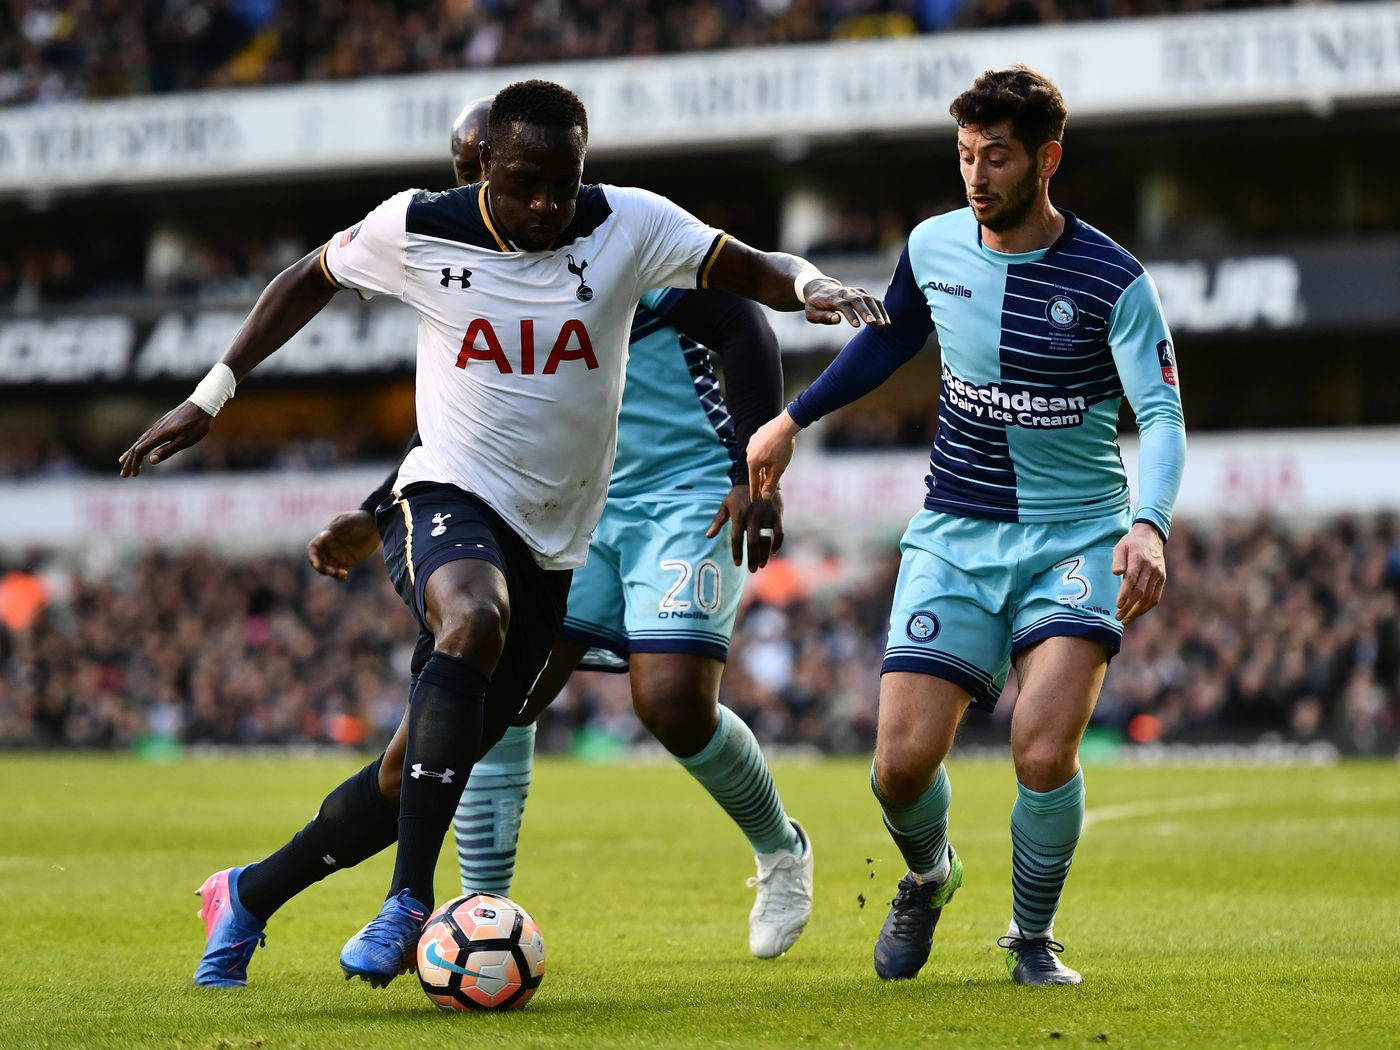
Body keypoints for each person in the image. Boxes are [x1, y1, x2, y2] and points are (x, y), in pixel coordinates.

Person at [119, 79, 886, 988]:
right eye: (520, 183)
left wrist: (814, 286)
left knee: (415, 773)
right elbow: (313, 283)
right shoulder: (421, 228)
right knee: (473, 624)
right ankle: (420, 902)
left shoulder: (624, 231)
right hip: (455, 497)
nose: (542, 207)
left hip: (574, 527)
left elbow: (748, 280)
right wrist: (216, 397)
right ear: (478, 166)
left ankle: (247, 893)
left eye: (559, 185)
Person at [312, 97, 811, 963]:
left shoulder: (609, 240)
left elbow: (739, 320)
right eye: (471, 178)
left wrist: (748, 472)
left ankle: (780, 849)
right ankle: (477, 912)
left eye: (492, 177)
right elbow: (468, 432)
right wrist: (371, 512)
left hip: (681, 491)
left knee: (672, 703)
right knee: (498, 696)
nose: (487, 197)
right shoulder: (461, 253)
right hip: (553, 505)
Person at [746, 66, 1186, 986]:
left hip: (1075, 535)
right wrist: (793, 420)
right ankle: (930, 874)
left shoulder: (1115, 281)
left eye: (996, 158)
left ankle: (1031, 937)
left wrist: (1147, 526)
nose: (977, 176)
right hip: (954, 530)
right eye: (965, 156)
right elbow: (891, 337)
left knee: (1041, 746)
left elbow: (1164, 414)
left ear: (1047, 159)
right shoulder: (936, 245)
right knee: (898, 770)